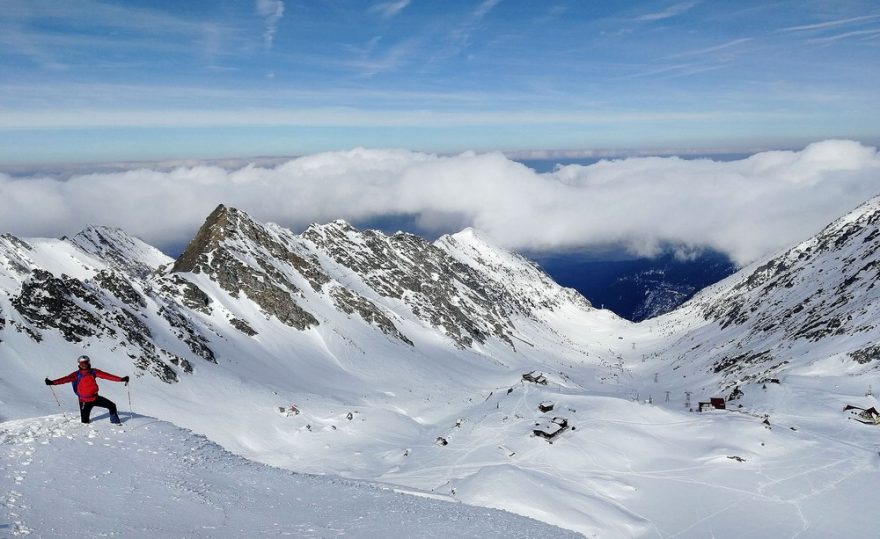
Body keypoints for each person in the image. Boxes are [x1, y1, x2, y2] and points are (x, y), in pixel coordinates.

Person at [45, 355, 130, 424]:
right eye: (82, 363)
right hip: (84, 401)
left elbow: (107, 376)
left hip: (95, 398)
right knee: (84, 422)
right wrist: (52, 382)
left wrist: (121, 379)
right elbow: (65, 379)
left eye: (85, 363)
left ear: (88, 363)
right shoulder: (76, 375)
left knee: (112, 406)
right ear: (79, 364)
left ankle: (115, 423)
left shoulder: (94, 372)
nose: (84, 365)